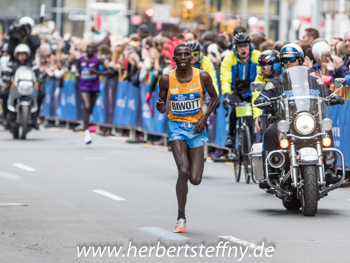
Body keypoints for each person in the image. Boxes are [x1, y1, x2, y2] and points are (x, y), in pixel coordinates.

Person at [255, 43, 345, 187]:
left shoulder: (313, 80)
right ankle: (272, 171)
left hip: (310, 122)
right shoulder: (276, 82)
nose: (288, 63)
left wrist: (334, 97)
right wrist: (262, 99)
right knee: (270, 132)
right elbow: (264, 95)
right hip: (286, 123)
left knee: (327, 129)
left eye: (292, 60)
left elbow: (327, 93)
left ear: (300, 60)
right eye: (285, 61)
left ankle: (329, 170)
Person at [156, 44, 218, 233]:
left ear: (192, 58)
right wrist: (160, 106)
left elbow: (215, 98)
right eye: (179, 55)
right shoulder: (166, 79)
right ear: (174, 58)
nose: (183, 57)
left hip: (196, 128)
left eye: (186, 54)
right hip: (176, 128)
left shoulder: (203, 76)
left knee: (196, 178)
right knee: (183, 170)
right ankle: (180, 217)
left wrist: (204, 118)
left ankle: (192, 165)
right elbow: (162, 105)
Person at [221, 32, 261, 148]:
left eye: (245, 45)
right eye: (240, 46)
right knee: (234, 107)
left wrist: (259, 93)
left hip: (252, 92)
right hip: (235, 92)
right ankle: (231, 135)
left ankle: (251, 144)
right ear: (235, 47)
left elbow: (260, 75)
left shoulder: (257, 56)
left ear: (250, 46)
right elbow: (225, 78)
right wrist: (227, 95)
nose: (243, 49)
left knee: (250, 117)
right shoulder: (229, 58)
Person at [76, 42, 110, 144]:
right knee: (86, 106)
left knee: (90, 109)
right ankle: (87, 132)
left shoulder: (98, 59)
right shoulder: (81, 59)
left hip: (94, 86)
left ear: (94, 50)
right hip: (84, 85)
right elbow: (77, 69)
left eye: (92, 48)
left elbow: (108, 72)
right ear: (86, 49)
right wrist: (77, 74)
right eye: (88, 47)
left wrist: (97, 72)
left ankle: (86, 123)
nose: (90, 49)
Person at [2, 43, 40, 129]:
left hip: (28, 86)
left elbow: (37, 73)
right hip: (16, 87)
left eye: (24, 54)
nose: (22, 57)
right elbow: (6, 72)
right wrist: (6, 77)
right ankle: (6, 116)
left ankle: (35, 116)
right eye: (20, 55)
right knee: (4, 94)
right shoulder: (12, 63)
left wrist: (40, 77)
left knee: (41, 94)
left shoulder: (31, 64)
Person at [253, 50, 283, 143]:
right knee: (262, 131)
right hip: (269, 110)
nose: (261, 70)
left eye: (264, 67)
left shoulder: (286, 75)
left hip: (285, 110)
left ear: (276, 67)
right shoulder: (261, 75)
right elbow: (256, 95)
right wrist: (257, 116)